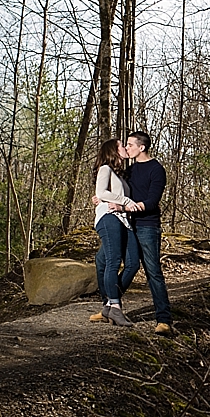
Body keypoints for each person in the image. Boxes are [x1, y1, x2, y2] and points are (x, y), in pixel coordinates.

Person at [120, 130, 175, 337]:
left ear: (141, 147)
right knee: (129, 267)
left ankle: (163, 320)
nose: (127, 148)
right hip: (128, 225)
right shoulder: (130, 170)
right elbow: (118, 190)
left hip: (148, 226)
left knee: (153, 272)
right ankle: (110, 307)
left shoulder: (156, 169)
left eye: (130, 145)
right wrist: (101, 198)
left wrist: (128, 208)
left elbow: (153, 201)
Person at [91, 139, 137, 327]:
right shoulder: (105, 169)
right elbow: (101, 192)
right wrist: (125, 200)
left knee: (133, 263)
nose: (125, 148)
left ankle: (109, 303)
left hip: (124, 220)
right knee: (113, 261)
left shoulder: (121, 176)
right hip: (108, 218)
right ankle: (115, 307)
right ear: (113, 151)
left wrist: (123, 203)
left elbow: (106, 194)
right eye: (121, 146)